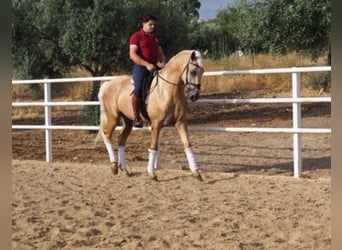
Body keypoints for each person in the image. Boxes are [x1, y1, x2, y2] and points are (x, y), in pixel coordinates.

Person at [129, 14, 166, 127]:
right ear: (143, 24)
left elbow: (161, 54)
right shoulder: (136, 36)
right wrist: (147, 64)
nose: (152, 27)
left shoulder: (154, 38)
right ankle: (136, 116)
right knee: (139, 88)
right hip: (141, 67)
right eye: (150, 24)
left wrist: (163, 63)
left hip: (155, 66)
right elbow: (132, 55)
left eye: (154, 24)